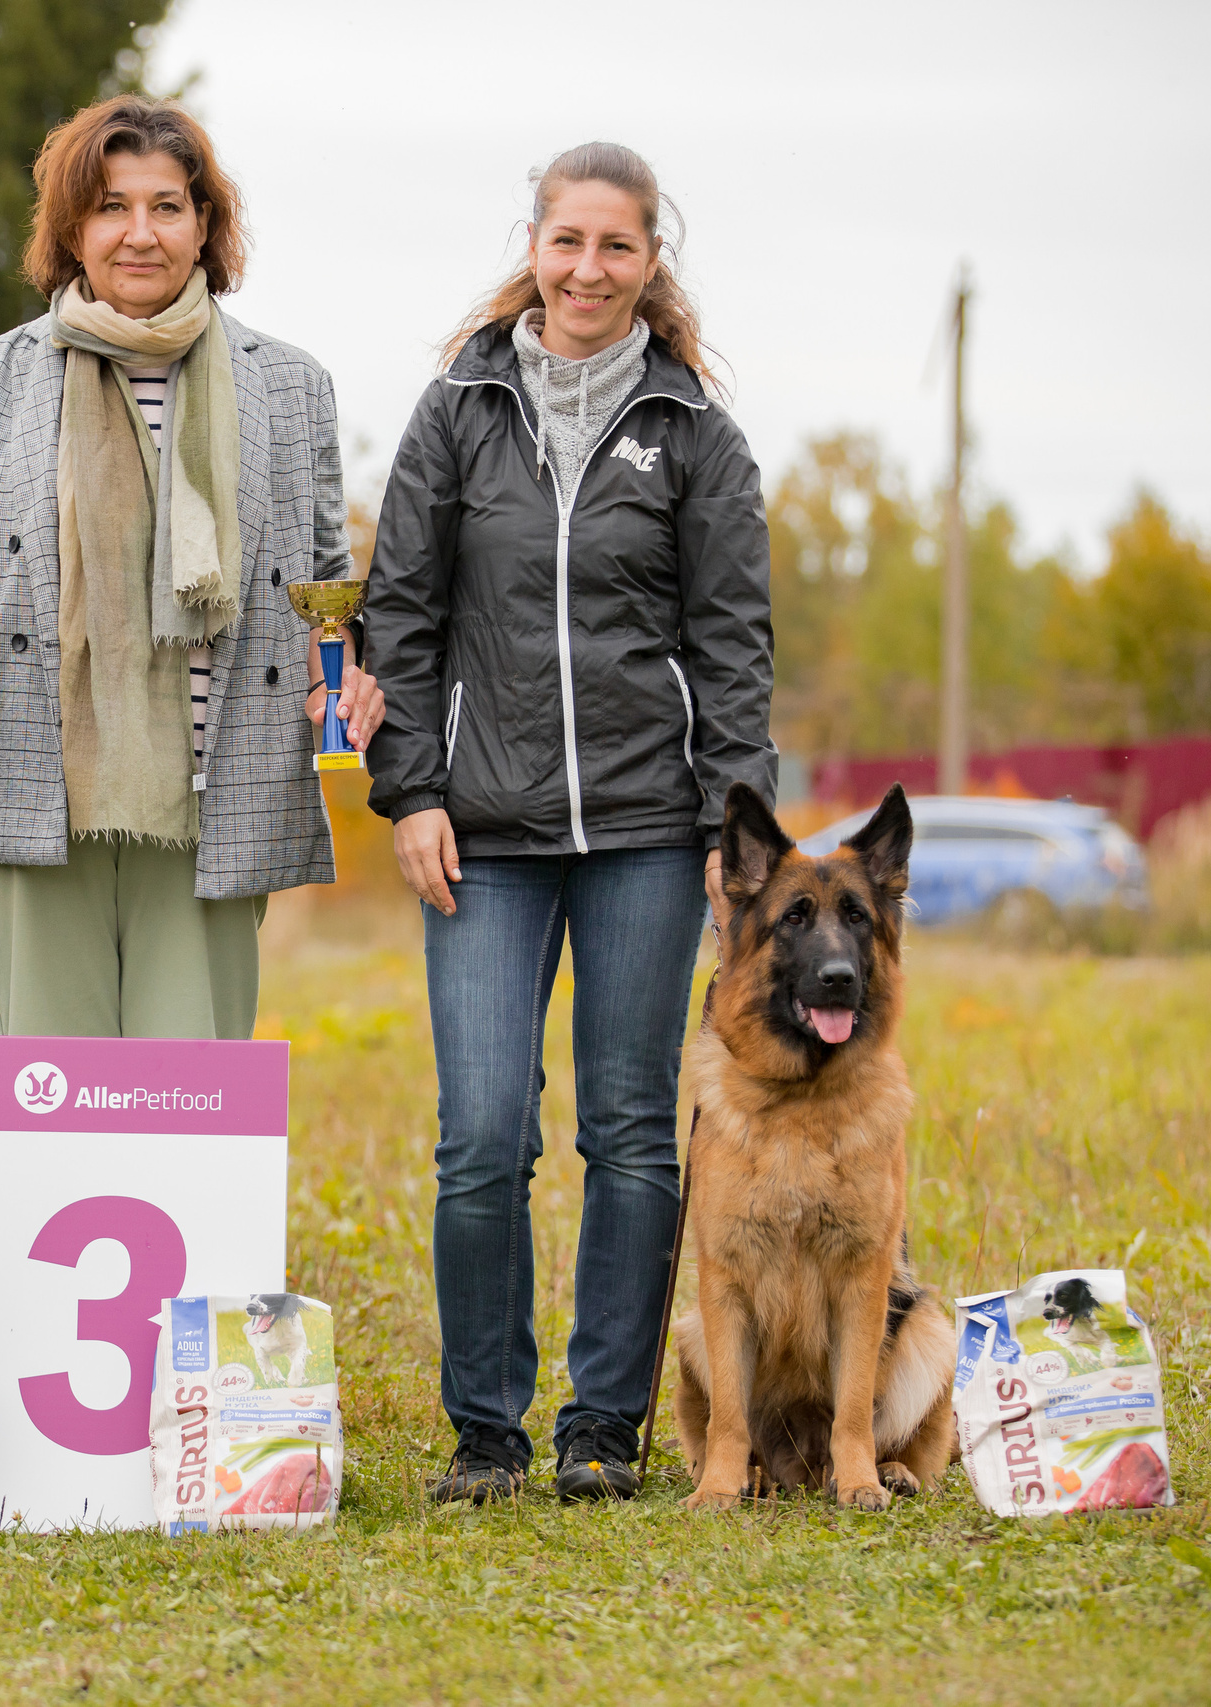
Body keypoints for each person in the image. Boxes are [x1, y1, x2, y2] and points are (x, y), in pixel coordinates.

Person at [363, 142, 775, 1504]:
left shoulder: (694, 433)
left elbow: (732, 646)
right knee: (482, 1133)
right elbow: (402, 618)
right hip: (481, 830)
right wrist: (413, 787)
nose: (589, 269)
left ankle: (605, 1427)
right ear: (531, 248)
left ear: (652, 259)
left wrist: (741, 832)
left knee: (631, 1130)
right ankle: (484, 1431)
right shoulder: (457, 410)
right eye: (567, 242)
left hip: (653, 833)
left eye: (617, 246)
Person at [0, 95, 382, 1039]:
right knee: (52, 1112)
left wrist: (344, 678)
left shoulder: (290, 384)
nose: (140, 233)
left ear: (205, 227)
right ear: (73, 227)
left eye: (168, 206)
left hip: (220, 789)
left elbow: (325, 584)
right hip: (39, 789)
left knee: (191, 1116)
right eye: (112, 206)